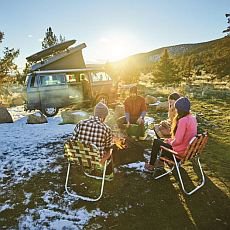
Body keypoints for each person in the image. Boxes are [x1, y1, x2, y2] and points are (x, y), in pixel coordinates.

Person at [145, 97, 197, 171]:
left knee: (157, 142)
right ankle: (160, 162)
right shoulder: (192, 118)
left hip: (178, 154)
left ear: (180, 109)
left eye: (177, 108)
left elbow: (178, 141)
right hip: (188, 151)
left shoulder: (183, 120)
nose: (176, 110)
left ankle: (151, 165)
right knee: (163, 141)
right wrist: (168, 140)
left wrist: (169, 141)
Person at [72, 102, 113, 174]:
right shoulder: (106, 129)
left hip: (79, 158)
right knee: (110, 150)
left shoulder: (80, 123)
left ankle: (85, 167)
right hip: (96, 160)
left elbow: (73, 141)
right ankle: (107, 174)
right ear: (104, 116)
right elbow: (107, 147)